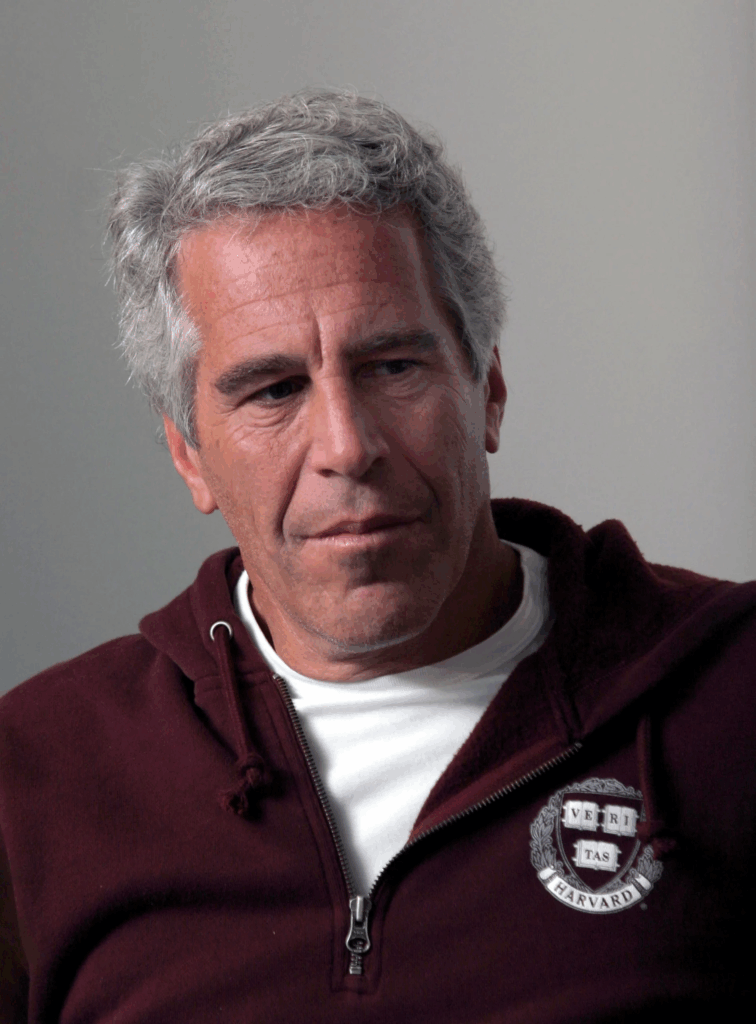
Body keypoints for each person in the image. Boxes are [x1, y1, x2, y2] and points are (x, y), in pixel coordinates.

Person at [0, 90, 753, 1024]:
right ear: (189, 454)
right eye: (274, 390)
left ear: (488, 390)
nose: (347, 447)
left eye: (394, 367)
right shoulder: (35, 774)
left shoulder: (733, 691)